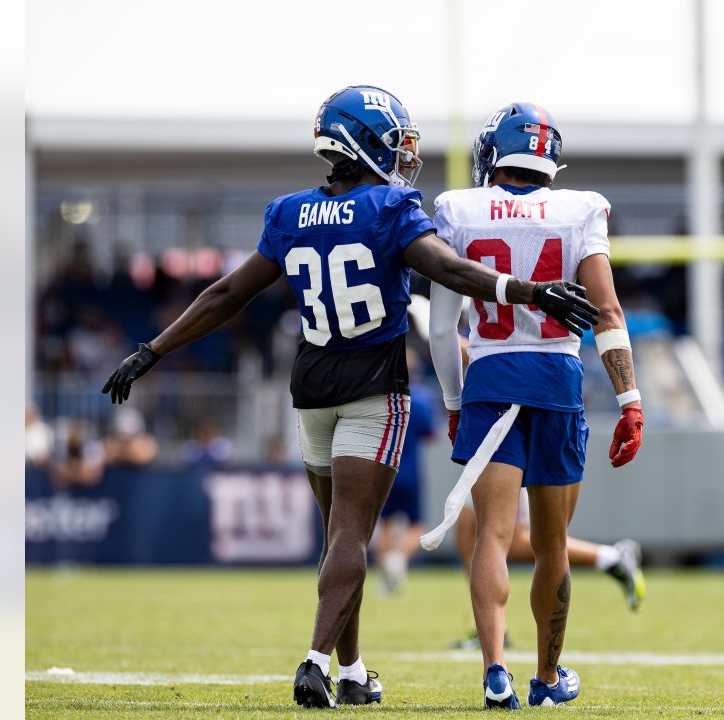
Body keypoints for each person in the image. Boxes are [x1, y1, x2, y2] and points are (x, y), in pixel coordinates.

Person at [99, 86, 598, 710]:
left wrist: (153, 349)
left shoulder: (288, 212)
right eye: (393, 141)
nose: (403, 155)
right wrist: (530, 292)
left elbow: (227, 296)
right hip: (373, 386)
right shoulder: (391, 206)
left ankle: (355, 668)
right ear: (363, 141)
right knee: (349, 536)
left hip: (310, 388)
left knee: (341, 535)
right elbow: (450, 271)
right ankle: (316, 661)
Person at [428, 102, 644, 709]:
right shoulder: (581, 209)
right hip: (556, 379)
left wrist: (453, 399)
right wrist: (630, 400)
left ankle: (496, 673)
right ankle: (547, 681)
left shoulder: (457, 209)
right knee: (551, 544)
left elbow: (444, 329)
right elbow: (608, 313)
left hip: (491, 379)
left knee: (491, 538)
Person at [448, 495, 646, 649]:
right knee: (467, 529)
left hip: (504, 445)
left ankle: (612, 558)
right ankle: (491, 630)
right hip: (484, 447)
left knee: (515, 540)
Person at [374, 350, 437, 594]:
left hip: (384, 468)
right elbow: (431, 434)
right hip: (410, 470)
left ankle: (386, 581)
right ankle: (397, 559)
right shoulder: (421, 398)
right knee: (417, 524)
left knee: (386, 523)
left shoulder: (383, 397)